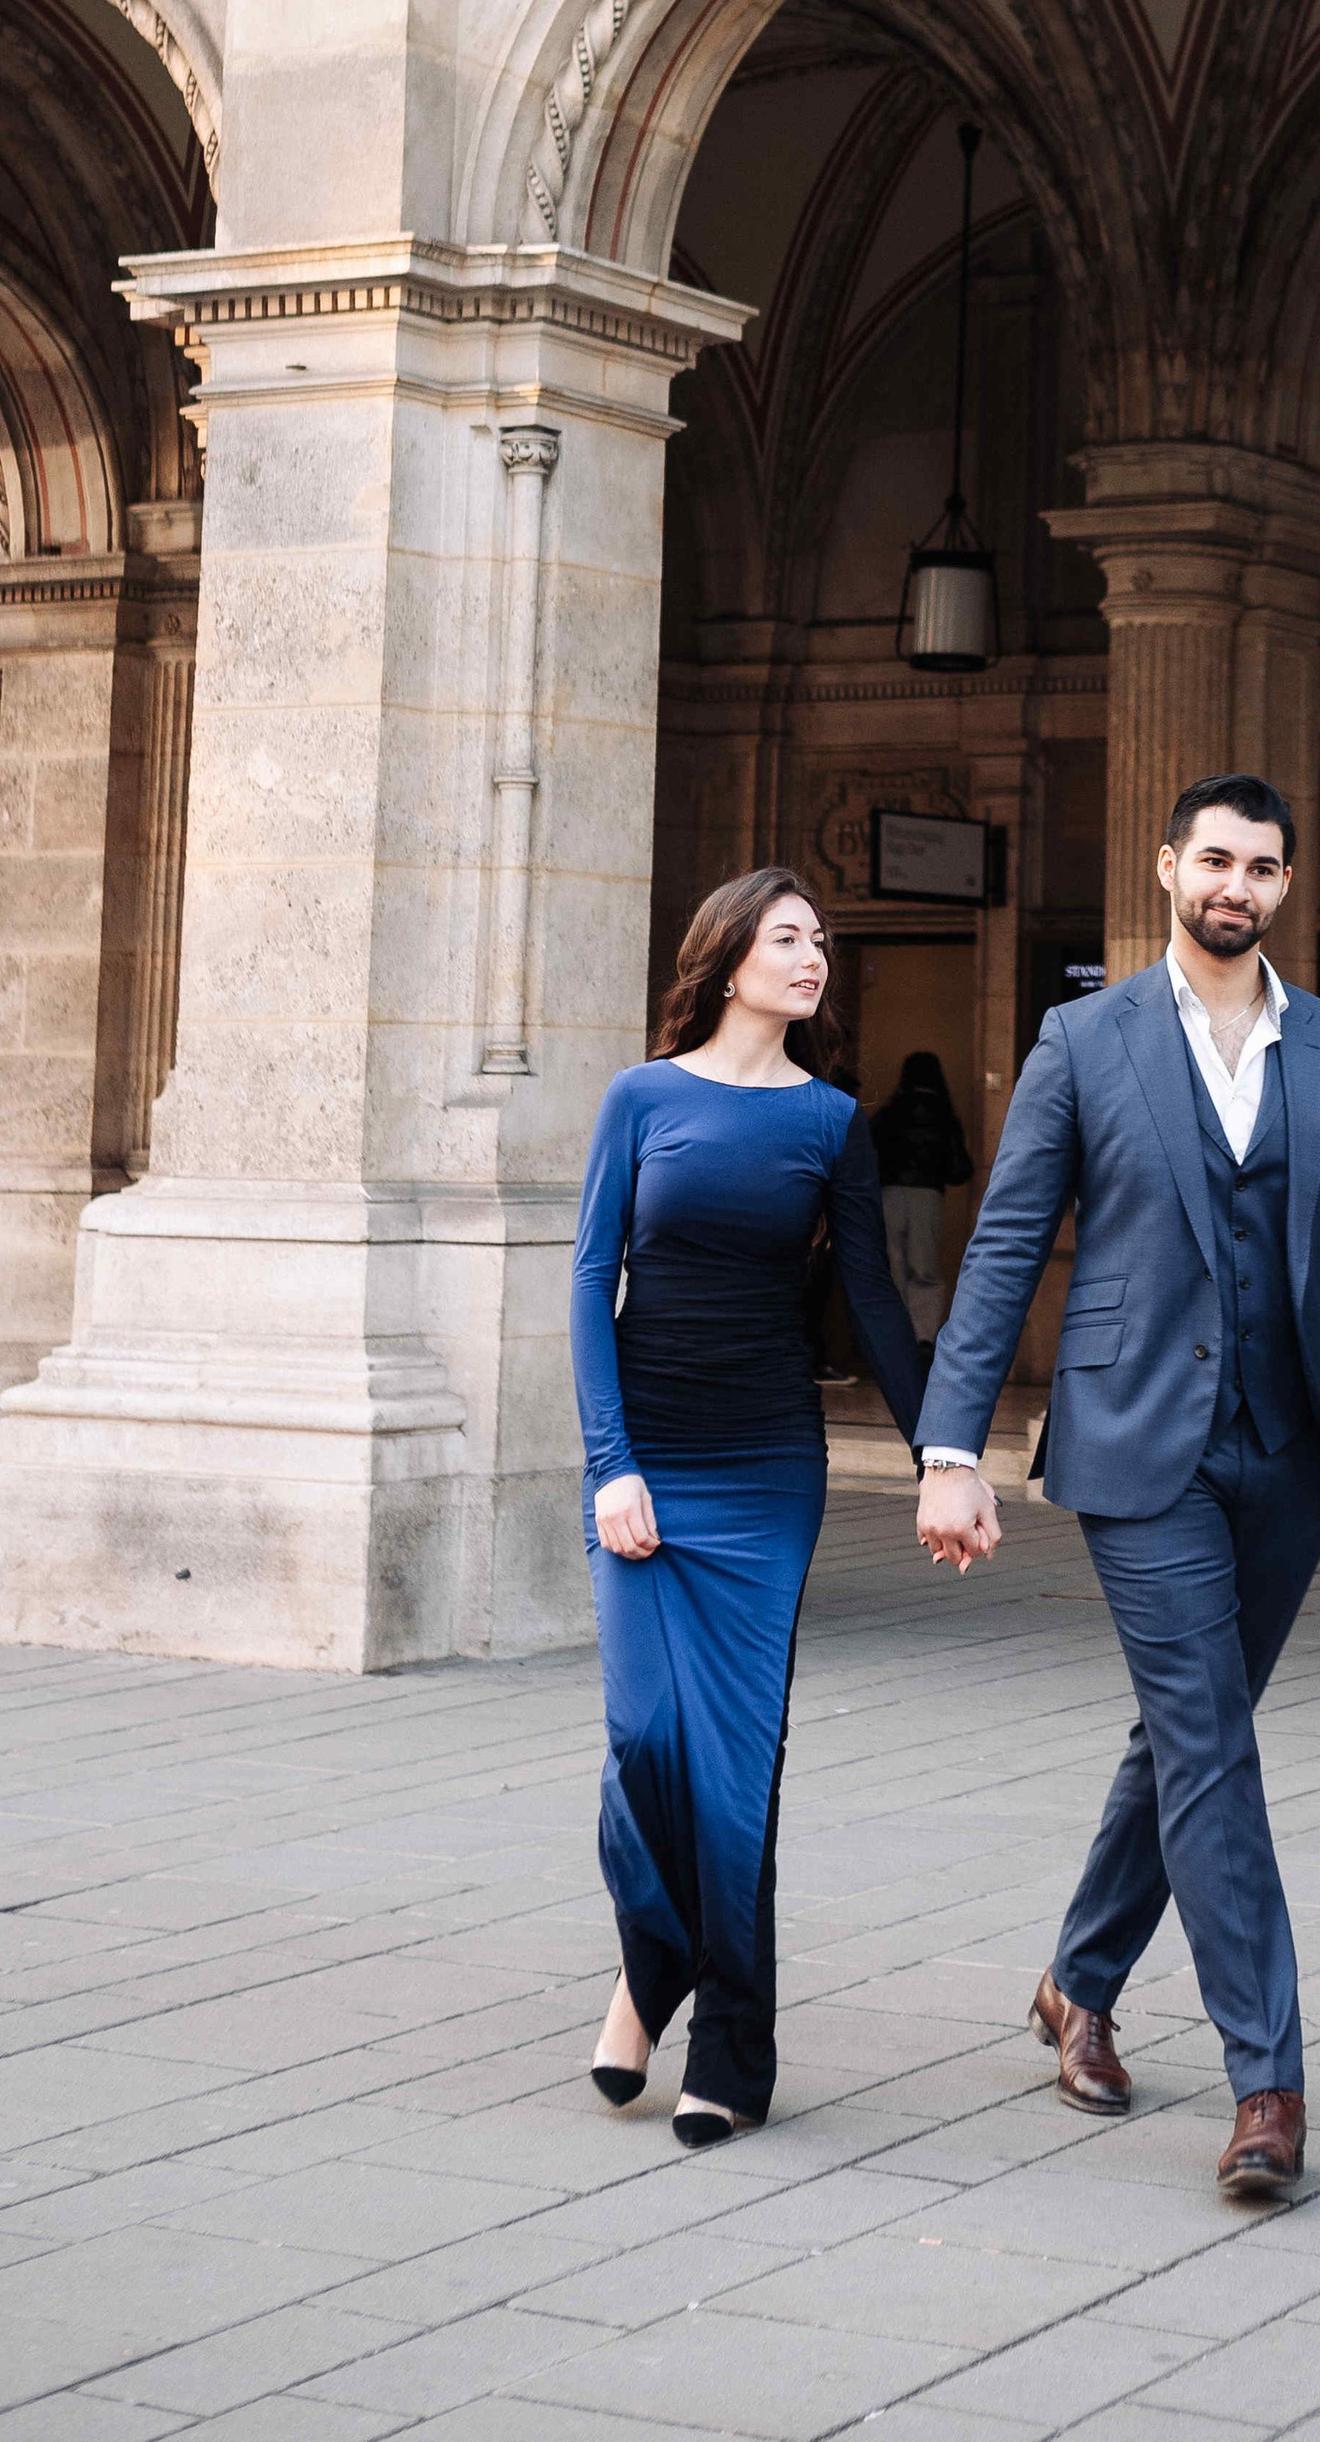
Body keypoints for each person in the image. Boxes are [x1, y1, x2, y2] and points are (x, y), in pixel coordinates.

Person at [913, 774, 1320, 2204]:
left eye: (1261, 866)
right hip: (1140, 1449)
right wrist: (954, 1452)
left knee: (1187, 1730)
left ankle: (1076, 1983)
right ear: (1167, 870)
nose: (1235, 885)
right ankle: (1271, 2081)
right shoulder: (1086, 1040)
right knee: (1212, 1748)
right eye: (1214, 859)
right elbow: (1007, 1244)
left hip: (1292, 1459)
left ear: (1284, 887)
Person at [570, 867, 925, 2145]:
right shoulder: (642, 1098)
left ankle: (734, 2046)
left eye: (821, 940)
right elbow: (588, 1281)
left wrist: (944, 1445)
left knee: (736, 1768)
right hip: (647, 1463)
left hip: (766, 1470)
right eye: (788, 938)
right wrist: (611, 1463)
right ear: (727, 960)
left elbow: (873, 1301)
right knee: (644, 1747)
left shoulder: (830, 1120)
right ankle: (648, 1971)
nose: (812, 955)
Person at [870, 1048, 973, 1355]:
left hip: (889, 1193)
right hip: (928, 1195)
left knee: (893, 1266)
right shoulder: (946, 1115)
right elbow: (960, 1169)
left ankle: (895, 1335)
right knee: (925, 1270)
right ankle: (924, 1337)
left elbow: (866, 1146)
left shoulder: (891, 1111)